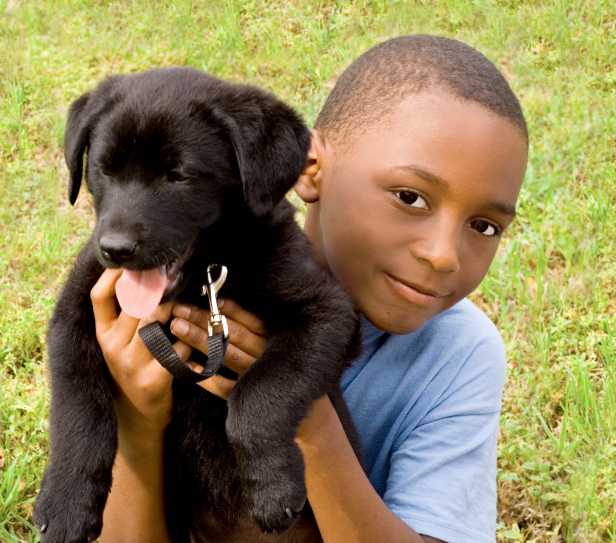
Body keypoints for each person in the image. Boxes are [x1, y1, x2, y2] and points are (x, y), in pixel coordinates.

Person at [89, 35, 529, 543]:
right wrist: (137, 427)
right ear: (310, 168)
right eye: (410, 197)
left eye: (485, 226)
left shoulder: (459, 352)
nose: (443, 254)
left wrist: (307, 420)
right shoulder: (178, 282)